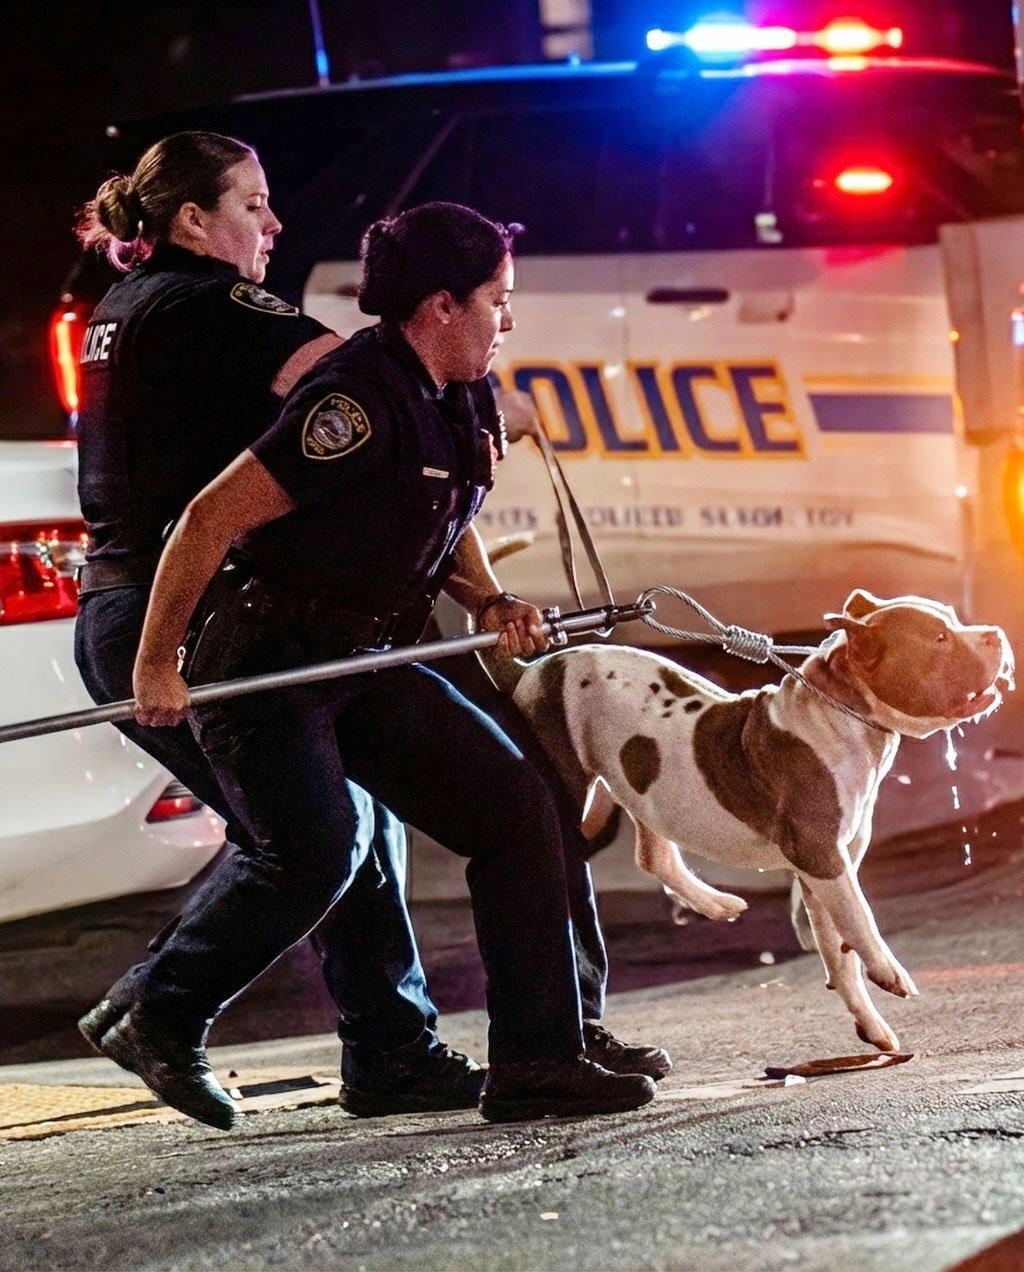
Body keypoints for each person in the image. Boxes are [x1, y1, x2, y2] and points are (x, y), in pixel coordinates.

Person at [127, 200, 670, 1123]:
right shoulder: (353, 401)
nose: (510, 318)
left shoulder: (463, 391)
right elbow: (206, 521)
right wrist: (154, 665)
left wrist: (491, 600)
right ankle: (158, 1011)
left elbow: (446, 518)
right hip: (274, 659)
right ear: (441, 304)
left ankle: (539, 1061)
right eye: (499, 299)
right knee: (315, 853)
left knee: (522, 810)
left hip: (367, 658)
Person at [71, 132, 484, 1124]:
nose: (275, 224)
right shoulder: (221, 307)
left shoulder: (120, 310)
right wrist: (455, 379)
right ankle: (157, 1011)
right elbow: (368, 384)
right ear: (194, 222)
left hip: (131, 605)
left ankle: (391, 1049)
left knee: (350, 824)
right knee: (308, 841)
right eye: (253, 205)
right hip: (178, 615)